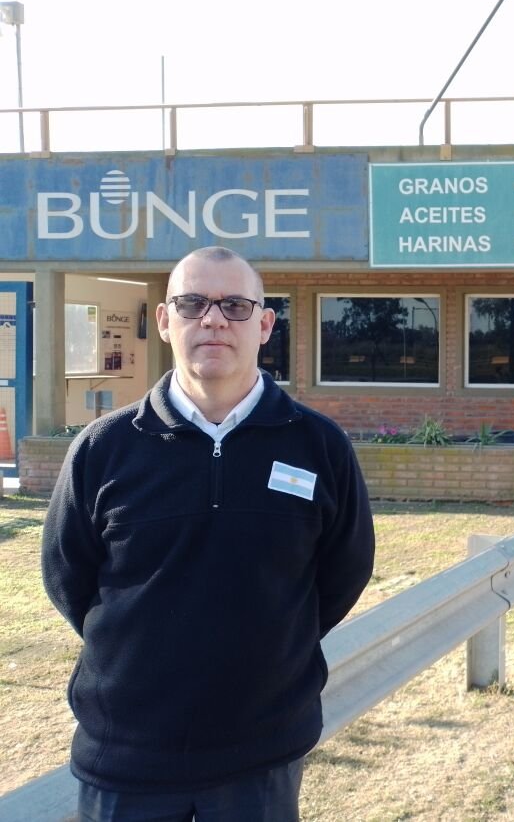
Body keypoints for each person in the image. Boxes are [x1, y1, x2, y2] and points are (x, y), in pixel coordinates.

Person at [42, 246, 375, 821]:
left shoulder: (318, 447)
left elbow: (342, 574)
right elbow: (67, 577)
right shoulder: (103, 449)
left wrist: (273, 644)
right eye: (193, 303)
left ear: (265, 325)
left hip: (261, 754)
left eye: (236, 305)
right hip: (127, 755)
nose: (214, 319)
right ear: (166, 320)